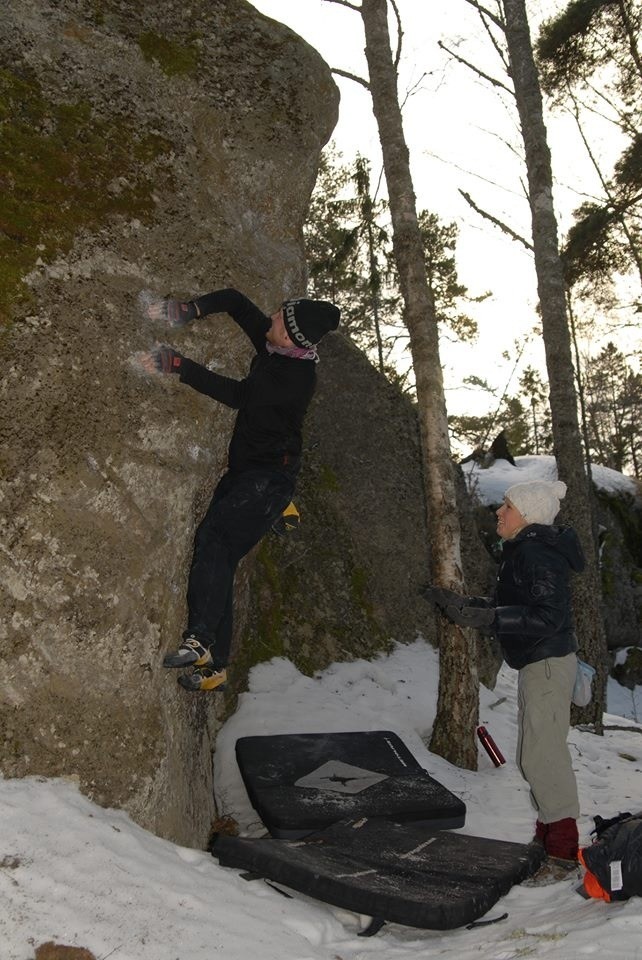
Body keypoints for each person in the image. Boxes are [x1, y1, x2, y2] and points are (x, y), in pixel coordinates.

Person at [140, 288, 340, 692]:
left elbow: (237, 396)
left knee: (214, 539)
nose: (272, 317)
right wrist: (189, 310)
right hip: (248, 473)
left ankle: (199, 639)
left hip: (268, 480)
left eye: (281, 318)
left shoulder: (295, 379)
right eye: (280, 311)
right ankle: (216, 666)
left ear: (291, 339)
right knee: (222, 559)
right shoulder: (278, 345)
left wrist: (178, 364)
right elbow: (234, 300)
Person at [424, 479, 585, 865]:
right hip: (539, 663)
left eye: (508, 506)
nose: (499, 511)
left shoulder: (536, 553)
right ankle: (547, 839)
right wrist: (466, 606)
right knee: (534, 754)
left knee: (543, 756)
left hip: (547, 665)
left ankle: (561, 851)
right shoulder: (525, 550)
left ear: (527, 514)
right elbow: (513, 605)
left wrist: (491, 617)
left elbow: (547, 617)